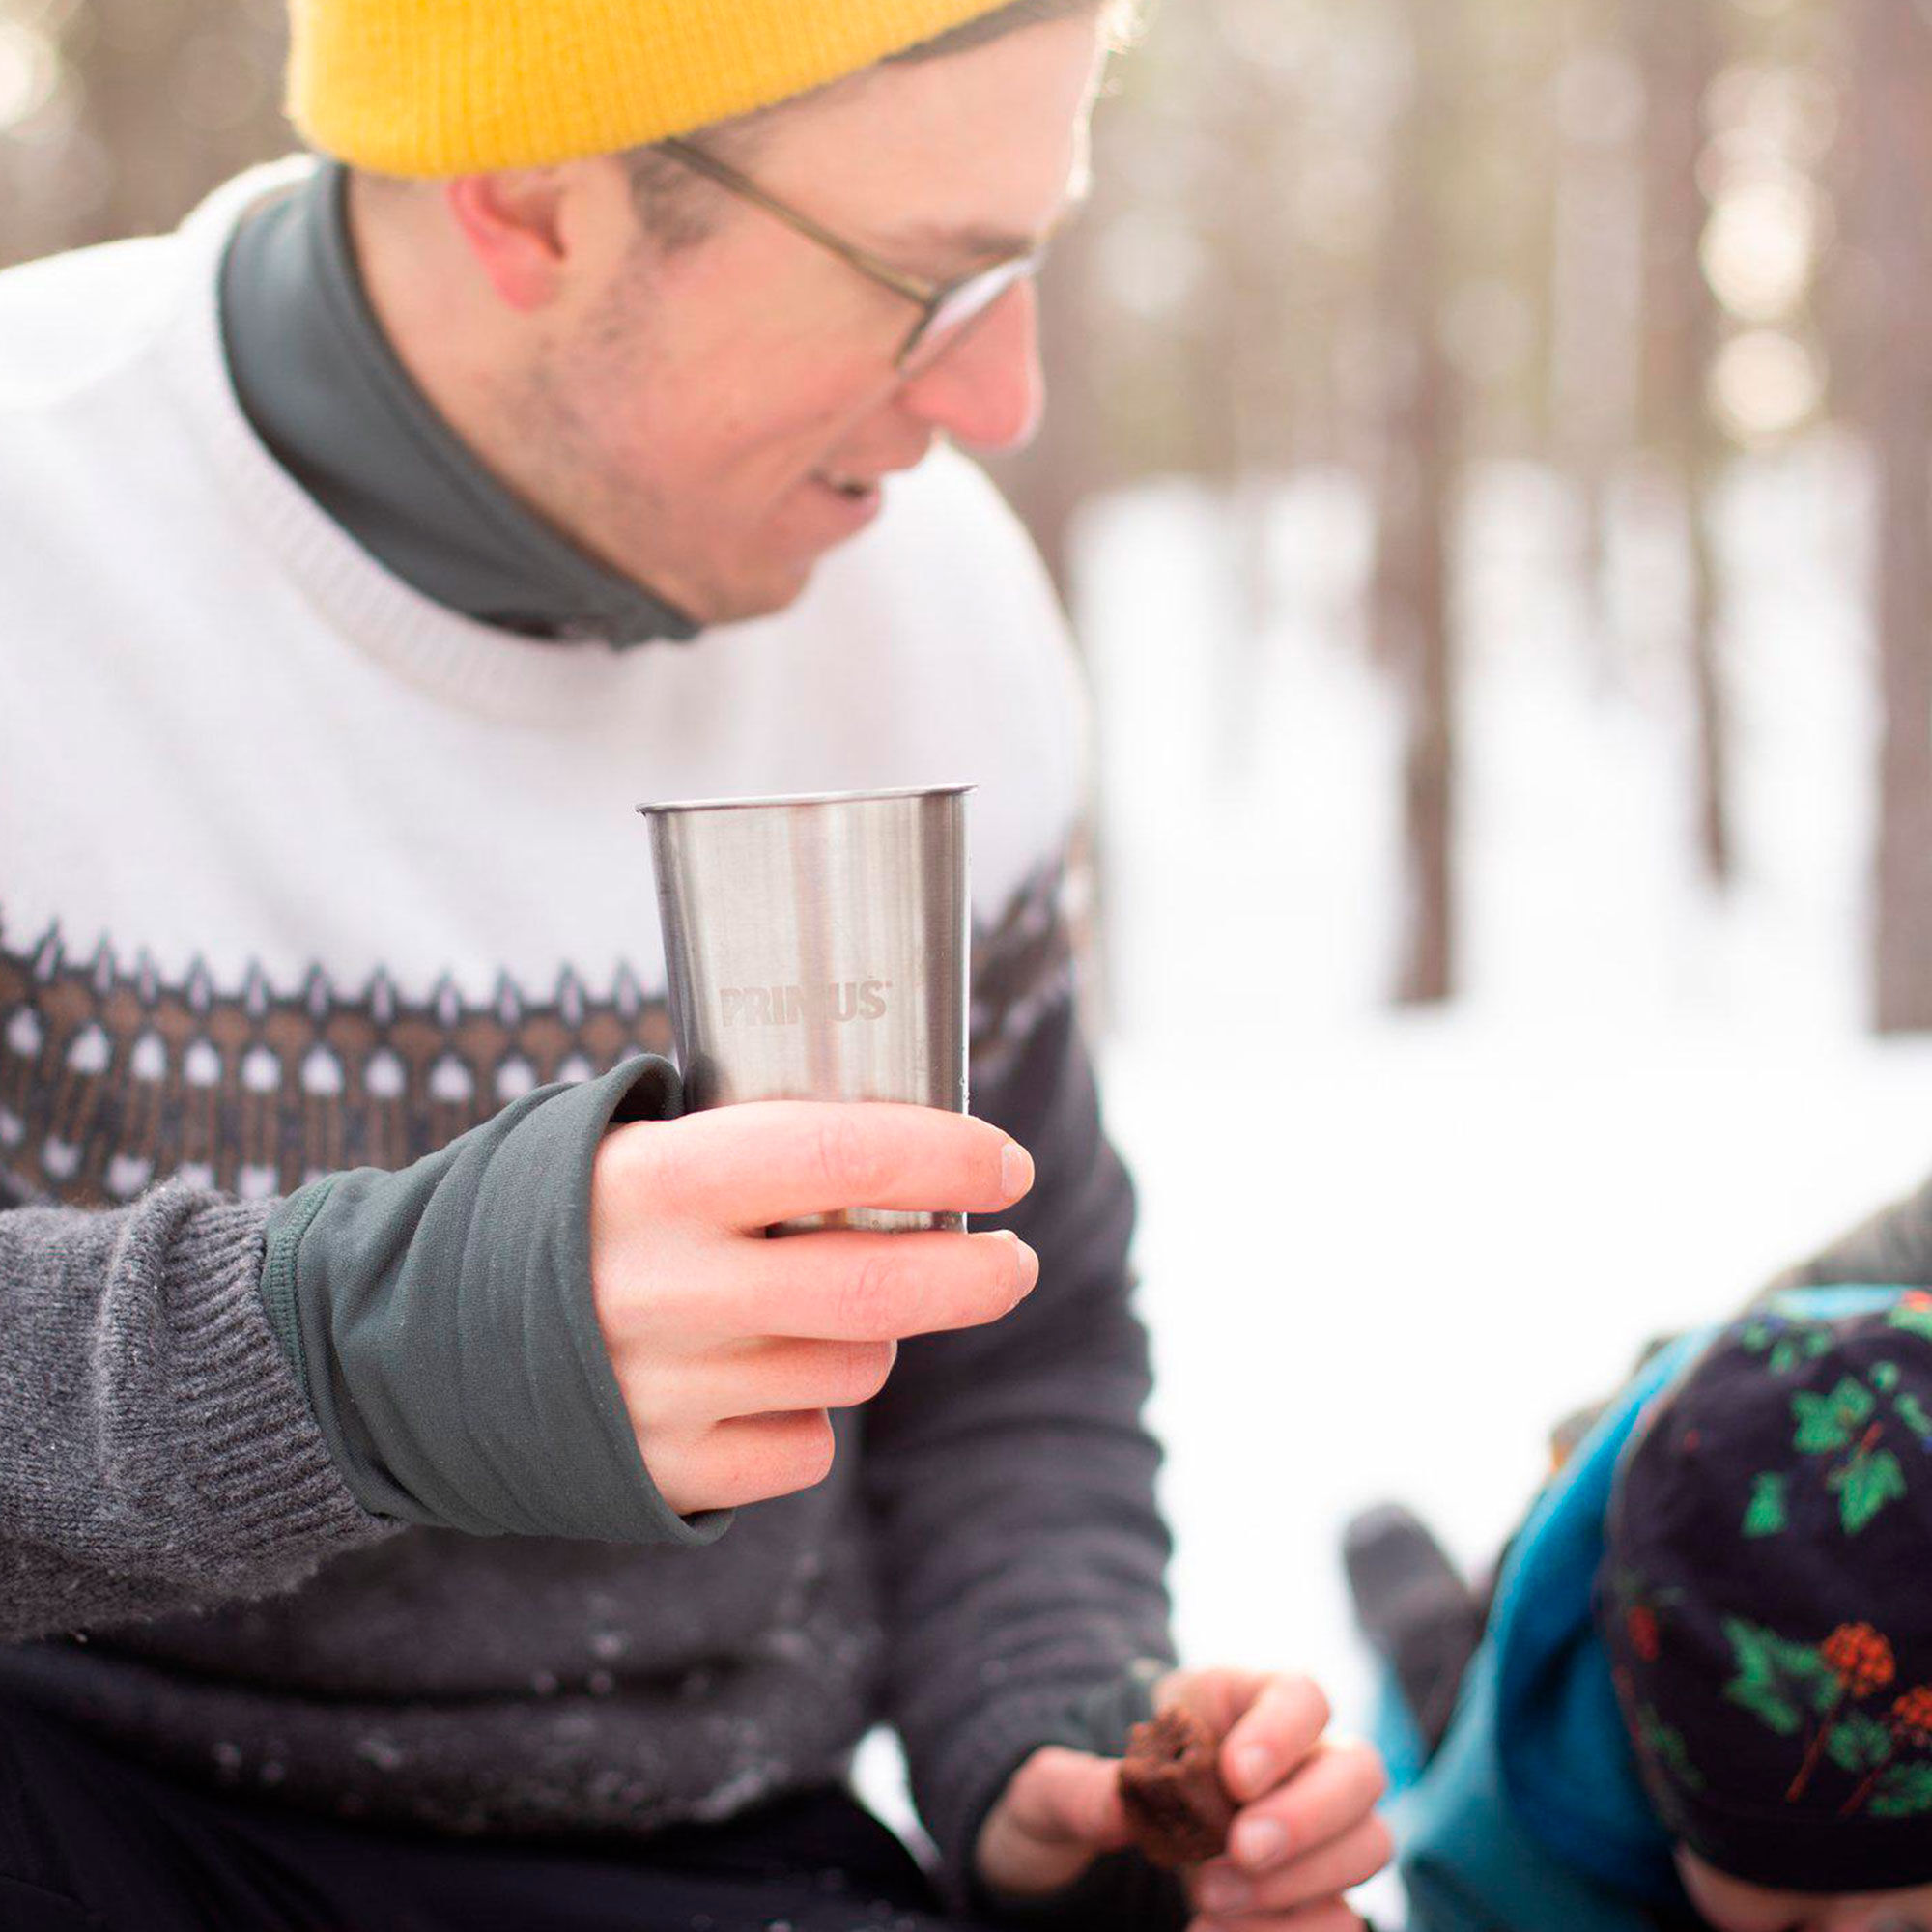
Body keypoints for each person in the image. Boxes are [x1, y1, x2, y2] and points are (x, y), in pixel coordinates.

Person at [0, 2, 1390, 1927]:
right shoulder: (37, 533)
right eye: (927, 279)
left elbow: (1016, 1352)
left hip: (708, 1859)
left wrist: (1051, 1737)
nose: (1002, 398)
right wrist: (376, 1358)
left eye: (1028, 260)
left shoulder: (935, 608)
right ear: (526, 200)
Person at [1359, 1275, 1932, 1932]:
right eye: (1792, 1931)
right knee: (1435, 1687)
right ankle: (1413, 1612)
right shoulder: (1490, 1870)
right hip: (1545, 1664)